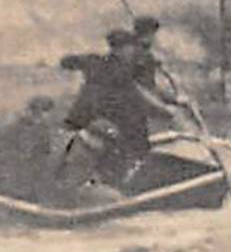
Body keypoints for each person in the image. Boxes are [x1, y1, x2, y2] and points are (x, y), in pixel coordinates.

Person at [61, 29, 167, 166]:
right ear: (121, 49)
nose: (132, 52)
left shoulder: (97, 62)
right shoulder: (121, 71)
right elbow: (140, 96)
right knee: (135, 135)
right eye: (130, 48)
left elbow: (66, 62)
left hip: (86, 119)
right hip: (112, 120)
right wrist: (165, 112)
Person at [0, 96, 61, 201]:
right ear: (37, 113)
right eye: (45, 114)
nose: (49, 119)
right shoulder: (32, 131)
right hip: (20, 188)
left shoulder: (13, 127)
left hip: (6, 183)